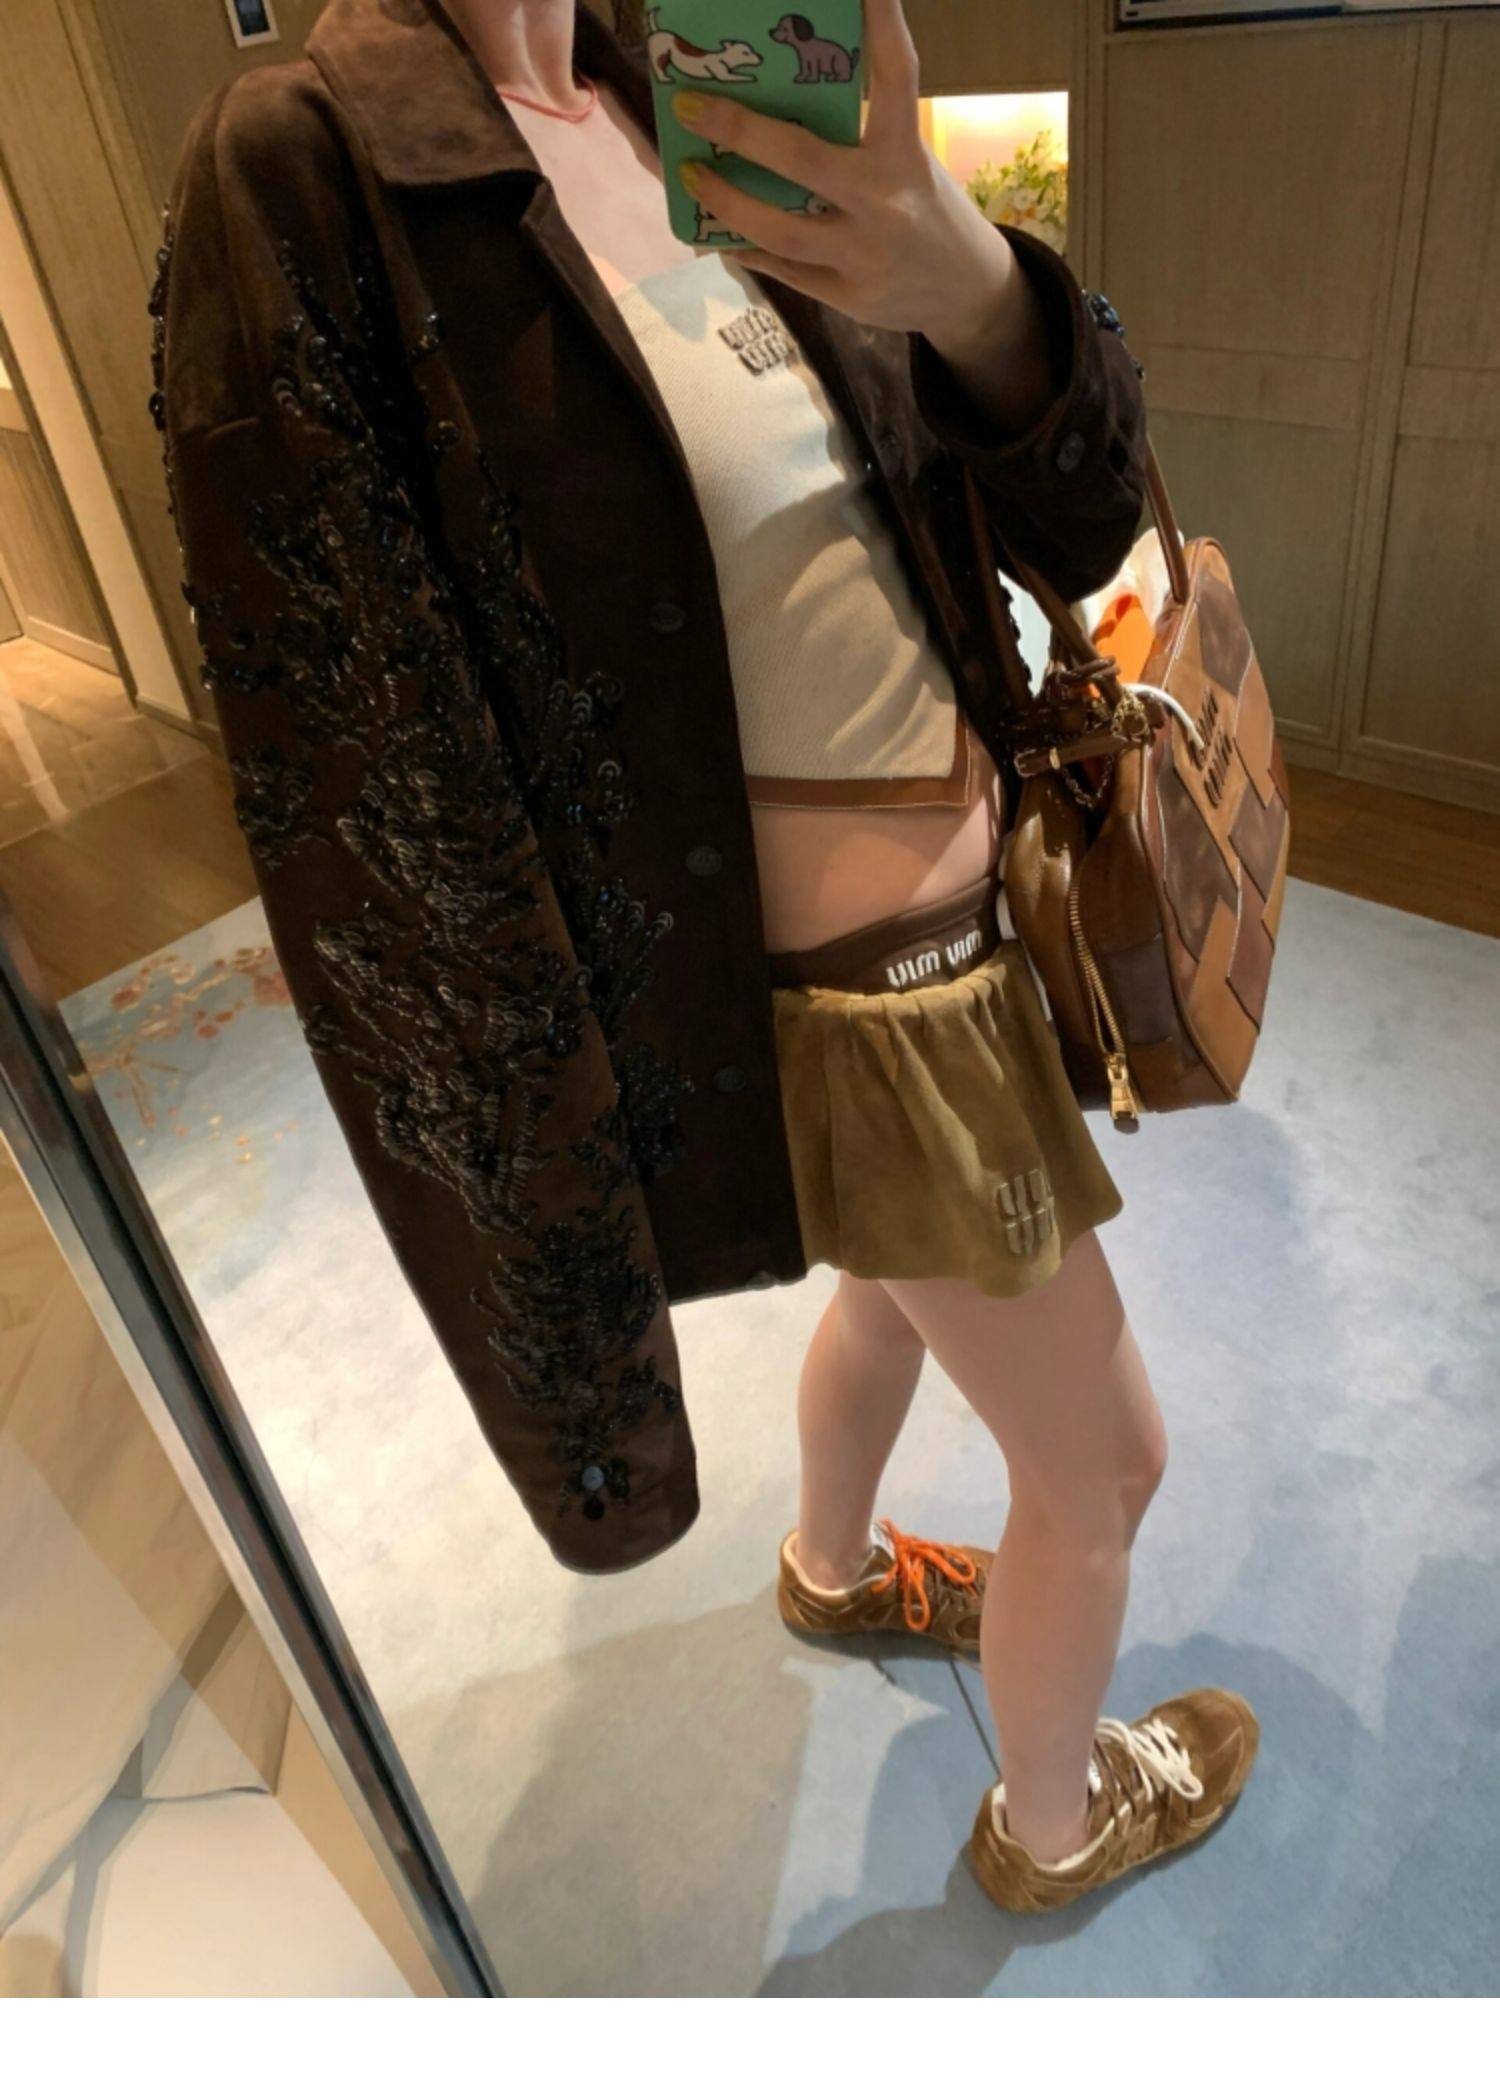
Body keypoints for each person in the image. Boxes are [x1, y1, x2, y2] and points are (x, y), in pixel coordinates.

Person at [159, 0, 1257, 1917]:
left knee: (895, 1303)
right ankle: (1056, 1825)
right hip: (870, 1015)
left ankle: (833, 1571)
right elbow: (367, 789)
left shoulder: (691, 85)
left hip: (961, 943)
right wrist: (553, 1221)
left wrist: (964, 277)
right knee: (1106, 1470)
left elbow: (1068, 518)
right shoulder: (308, 167)